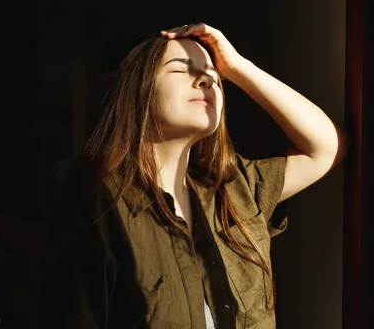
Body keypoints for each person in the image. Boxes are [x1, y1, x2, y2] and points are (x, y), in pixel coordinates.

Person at [35, 23, 348, 328]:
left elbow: (326, 147)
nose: (206, 80)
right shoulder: (100, 205)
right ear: (139, 90)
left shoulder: (233, 188)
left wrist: (237, 67)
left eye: (213, 75)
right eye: (180, 68)